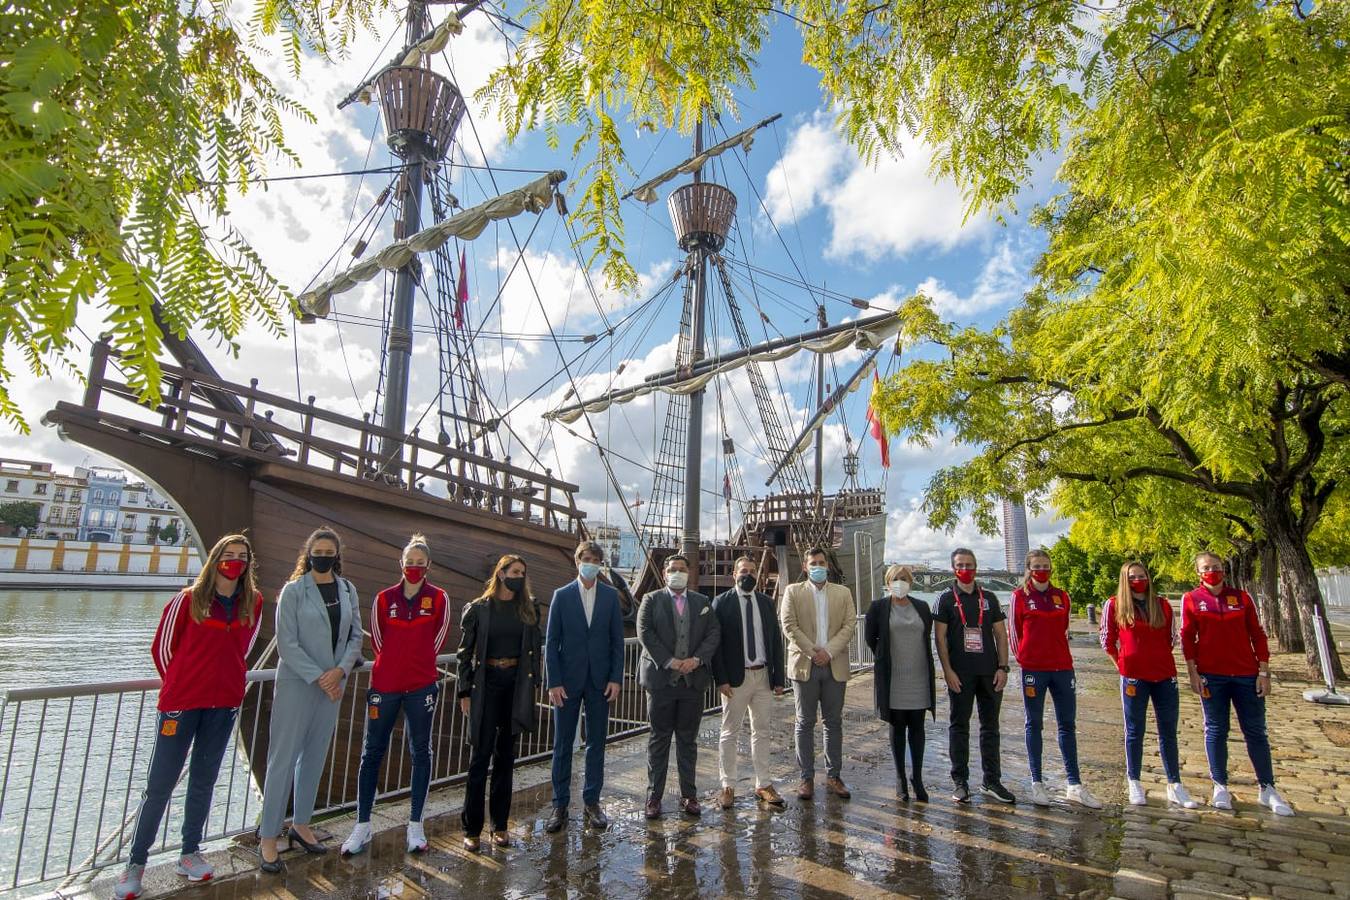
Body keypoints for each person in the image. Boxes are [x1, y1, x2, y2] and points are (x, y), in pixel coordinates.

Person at [114, 534, 264, 900]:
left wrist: (226, 687)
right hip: (181, 705)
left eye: (241, 557)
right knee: (160, 784)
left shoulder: (252, 603)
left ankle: (189, 852)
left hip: (223, 706)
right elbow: (162, 649)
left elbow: (244, 649)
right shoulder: (188, 600)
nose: (235, 562)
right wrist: (181, 686)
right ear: (215, 559)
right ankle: (135, 864)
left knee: (203, 781)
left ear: (248, 564)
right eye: (228, 556)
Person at [258, 527, 364, 872]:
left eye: (329, 551)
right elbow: (286, 643)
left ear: (337, 555)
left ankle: (301, 825)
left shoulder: (347, 590)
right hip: (299, 684)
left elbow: (355, 636)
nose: (323, 555)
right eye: (317, 550)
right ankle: (269, 837)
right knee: (282, 760)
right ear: (309, 553)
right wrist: (323, 676)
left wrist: (341, 671)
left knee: (315, 757)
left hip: (333, 686)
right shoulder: (293, 591)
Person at [340, 535, 451, 857]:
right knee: (372, 752)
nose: (414, 568)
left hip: (421, 686)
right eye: (409, 562)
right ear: (401, 564)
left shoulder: (439, 598)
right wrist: (396, 665)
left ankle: (415, 824)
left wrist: (415, 665)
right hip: (385, 686)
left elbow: (437, 639)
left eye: (420, 563)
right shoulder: (383, 598)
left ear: (428, 566)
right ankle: (362, 824)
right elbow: (378, 642)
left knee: (421, 751)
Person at [1181, 551, 1293, 816]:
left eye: (1216, 567)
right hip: (1212, 675)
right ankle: (1220, 785)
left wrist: (1263, 670)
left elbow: (1257, 634)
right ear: (1199, 573)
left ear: (1224, 569)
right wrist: (1192, 672)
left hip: (1245, 674)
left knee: (1255, 731)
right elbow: (1187, 638)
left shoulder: (1241, 598)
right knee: (1216, 729)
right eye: (1207, 568)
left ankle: (1267, 787)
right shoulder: (1192, 599)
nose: (1212, 571)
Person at [454, 553, 544, 850]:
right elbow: (465, 653)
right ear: (501, 574)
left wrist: (536, 684)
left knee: (506, 757)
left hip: (515, 686)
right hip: (487, 684)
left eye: (523, 572)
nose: (519, 576)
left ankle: (500, 825)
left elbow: (534, 649)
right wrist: (464, 690)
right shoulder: (480, 609)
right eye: (514, 571)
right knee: (479, 756)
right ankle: (472, 828)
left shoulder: (529, 610)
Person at [1100, 560, 1200, 809]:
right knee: (1134, 730)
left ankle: (1175, 784)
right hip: (1133, 676)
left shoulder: (1162, 605)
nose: (1138, 580)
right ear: (1125, 580)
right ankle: (1134, 780)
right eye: (1132, 576)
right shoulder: (1114, 605)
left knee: (1168, 731)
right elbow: (1107, 640)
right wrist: (1123, 665)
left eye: (1141, 575)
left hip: (1164, 675)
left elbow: (1171, 639)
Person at [1008, 549, 1103, 809]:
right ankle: (1037, 782)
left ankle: (1074, 784)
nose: (1042, 569)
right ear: (1028, 568)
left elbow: (1063, 629)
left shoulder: (1062, 596)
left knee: (1067, 725)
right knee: (1034, 723)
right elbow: (1013, 633)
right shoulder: (1019, 597)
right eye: (1036, 565)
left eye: (1046, 565)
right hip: (1033, 670)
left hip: (1062, 668)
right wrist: (1025, 659)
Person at [544, 541, 625, 833]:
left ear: (600, 564)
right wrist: (553, 681)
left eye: (595, 559)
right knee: (563, 744)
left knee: (596, 743)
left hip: (600, 681)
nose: (590, 563)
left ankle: (592, 801)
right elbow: (551, 643)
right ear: (578, 561)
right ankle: (559, 804)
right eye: (586, 558)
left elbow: (617, 642)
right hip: (567, 681)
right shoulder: (561, 596)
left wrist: (616, 677)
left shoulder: (609, 596)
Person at [637, 554, 720, 819]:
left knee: (688, 740)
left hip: (691, 682)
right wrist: (670, 661)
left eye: (682, 569)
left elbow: (713, 633)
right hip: (662, 681)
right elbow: (645, 632)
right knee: (658, 739)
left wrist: (696, 660)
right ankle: (654, 797)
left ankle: (689, 795)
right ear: (664, 574)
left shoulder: (702, 602)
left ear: (689, 573)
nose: (677, 573)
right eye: (672, 569)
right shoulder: (651, 600)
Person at [934, 547, 1015, 804]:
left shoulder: (989, 597)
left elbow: (1001, 635)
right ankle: (960, 782)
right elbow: (940, 638)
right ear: (953, 569)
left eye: (970, 565)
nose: (966, 569)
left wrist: (1003, 667)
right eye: (961, 565)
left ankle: (992, 780)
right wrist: (947, 671)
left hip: (990, 673)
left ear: (976, 567)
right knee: (959, 727)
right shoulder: (945, 599)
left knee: (990, 728)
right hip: (960, 674)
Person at [781, 547, 857, 801]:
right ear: (805, 567)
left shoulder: (843, 593)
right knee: (804, 722)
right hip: (805, 665)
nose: (818, 566)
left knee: (833, 722)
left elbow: (849, 625)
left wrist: (829, 652)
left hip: (834, 664)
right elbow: (789, 625)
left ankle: (834, 775)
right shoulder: (793, 591)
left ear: (828, 565)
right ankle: (806, 778)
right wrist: (814, 652)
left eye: (821, 562)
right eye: (813, 563)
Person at [710, 556, 786, 809]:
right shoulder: (722, 603)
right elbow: (716, 646)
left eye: (753, 571)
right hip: (735, 679)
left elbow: (775, 641)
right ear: (734, 574)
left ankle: (763, 783)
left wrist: (778, 679)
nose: (748, 575)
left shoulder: (766, 602)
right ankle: (727, 785)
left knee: (762, 731)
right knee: (729, 732)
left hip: (762, 675)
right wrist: (721, 680)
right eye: (744, 571)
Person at [864, 565, 935, 803]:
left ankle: (917, 776)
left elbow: (926, 636)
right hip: (893, 678)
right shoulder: (878, 608)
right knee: (897, 727)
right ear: (887, 582)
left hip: (919, 676)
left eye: (904, 579)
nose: (900, 582)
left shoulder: (922, 607)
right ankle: (900, 778)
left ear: (911, 582)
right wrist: (886, 659)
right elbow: (871, 639)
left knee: (918, 728)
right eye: (895, 579)